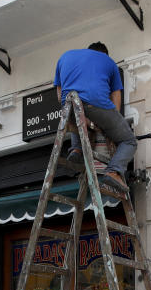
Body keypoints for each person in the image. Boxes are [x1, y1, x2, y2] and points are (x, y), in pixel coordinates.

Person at [54, 42, 137, 190]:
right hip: (97, 104)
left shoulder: (65, 56)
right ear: (104, 54)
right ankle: (114, 171)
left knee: (76, 115)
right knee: (129, 141)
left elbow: (60, 93)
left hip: (70, 104)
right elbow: (116, 94)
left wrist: (67, 108)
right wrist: (111, 125)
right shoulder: (108, 62)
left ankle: (76, 149)